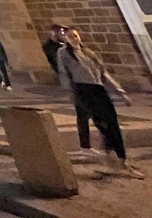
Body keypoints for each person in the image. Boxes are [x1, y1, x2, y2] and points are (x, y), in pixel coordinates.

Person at [57, 28, 142, 178]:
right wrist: (72, 92)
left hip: (98, 89)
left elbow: (103, 73)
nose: (74, 39)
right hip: (83, 90)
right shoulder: (64, 53)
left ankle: (118, 159)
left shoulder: (88, 52)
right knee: (103, 124)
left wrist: (120, 92)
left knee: (113, 123)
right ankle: (116, 159)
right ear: (66, 39)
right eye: (71, 36)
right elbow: (64, 72)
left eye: (76, 35)